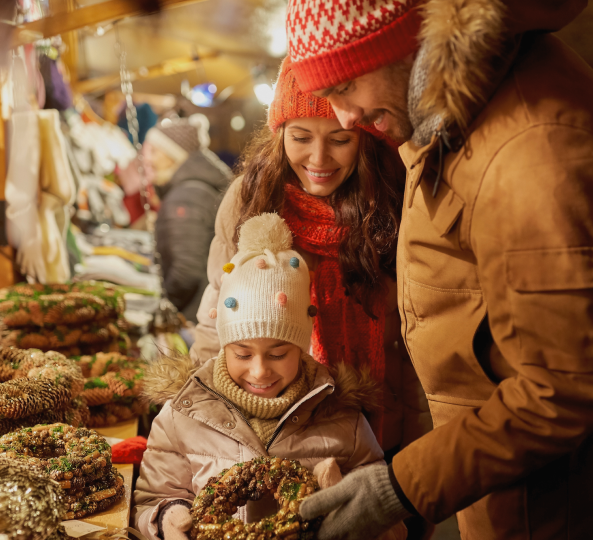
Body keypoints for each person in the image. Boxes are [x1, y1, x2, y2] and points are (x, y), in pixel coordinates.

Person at [284, 0, 593, 538]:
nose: (346, 117)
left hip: (541, 507)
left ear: (403, 46)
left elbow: (563, 387)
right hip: (497, 475)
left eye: (346, 87)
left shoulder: (532, 152)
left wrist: (400, 485)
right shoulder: (451, 107)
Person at [189, 59, 431, 457]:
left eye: (339, 140)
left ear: (364, 138)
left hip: (383, 418)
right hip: (278, 424)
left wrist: (418, 453)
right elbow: (219, 315)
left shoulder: (394, 202)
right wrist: (205, 416)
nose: (319, 159)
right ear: (280, 133)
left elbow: (414, 342)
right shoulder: (250, 199)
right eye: (301, 137)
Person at [133, 213, 405, 540]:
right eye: (242, 354)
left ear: (303, 348)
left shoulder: (344, 419)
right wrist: (167, 517)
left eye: (278, 354)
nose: (260, 370)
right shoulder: (183, 415)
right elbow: (151, 498)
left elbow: (393, 525)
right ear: (224, 346)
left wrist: (344, 500)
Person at [148, 119, 232, 327]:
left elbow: (186, 270)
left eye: (155, 152)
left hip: (195, 317)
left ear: (172, 155)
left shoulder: (187, 196)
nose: (149, 160)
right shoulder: (195, 187)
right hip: (206, 310)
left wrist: (167, 307)